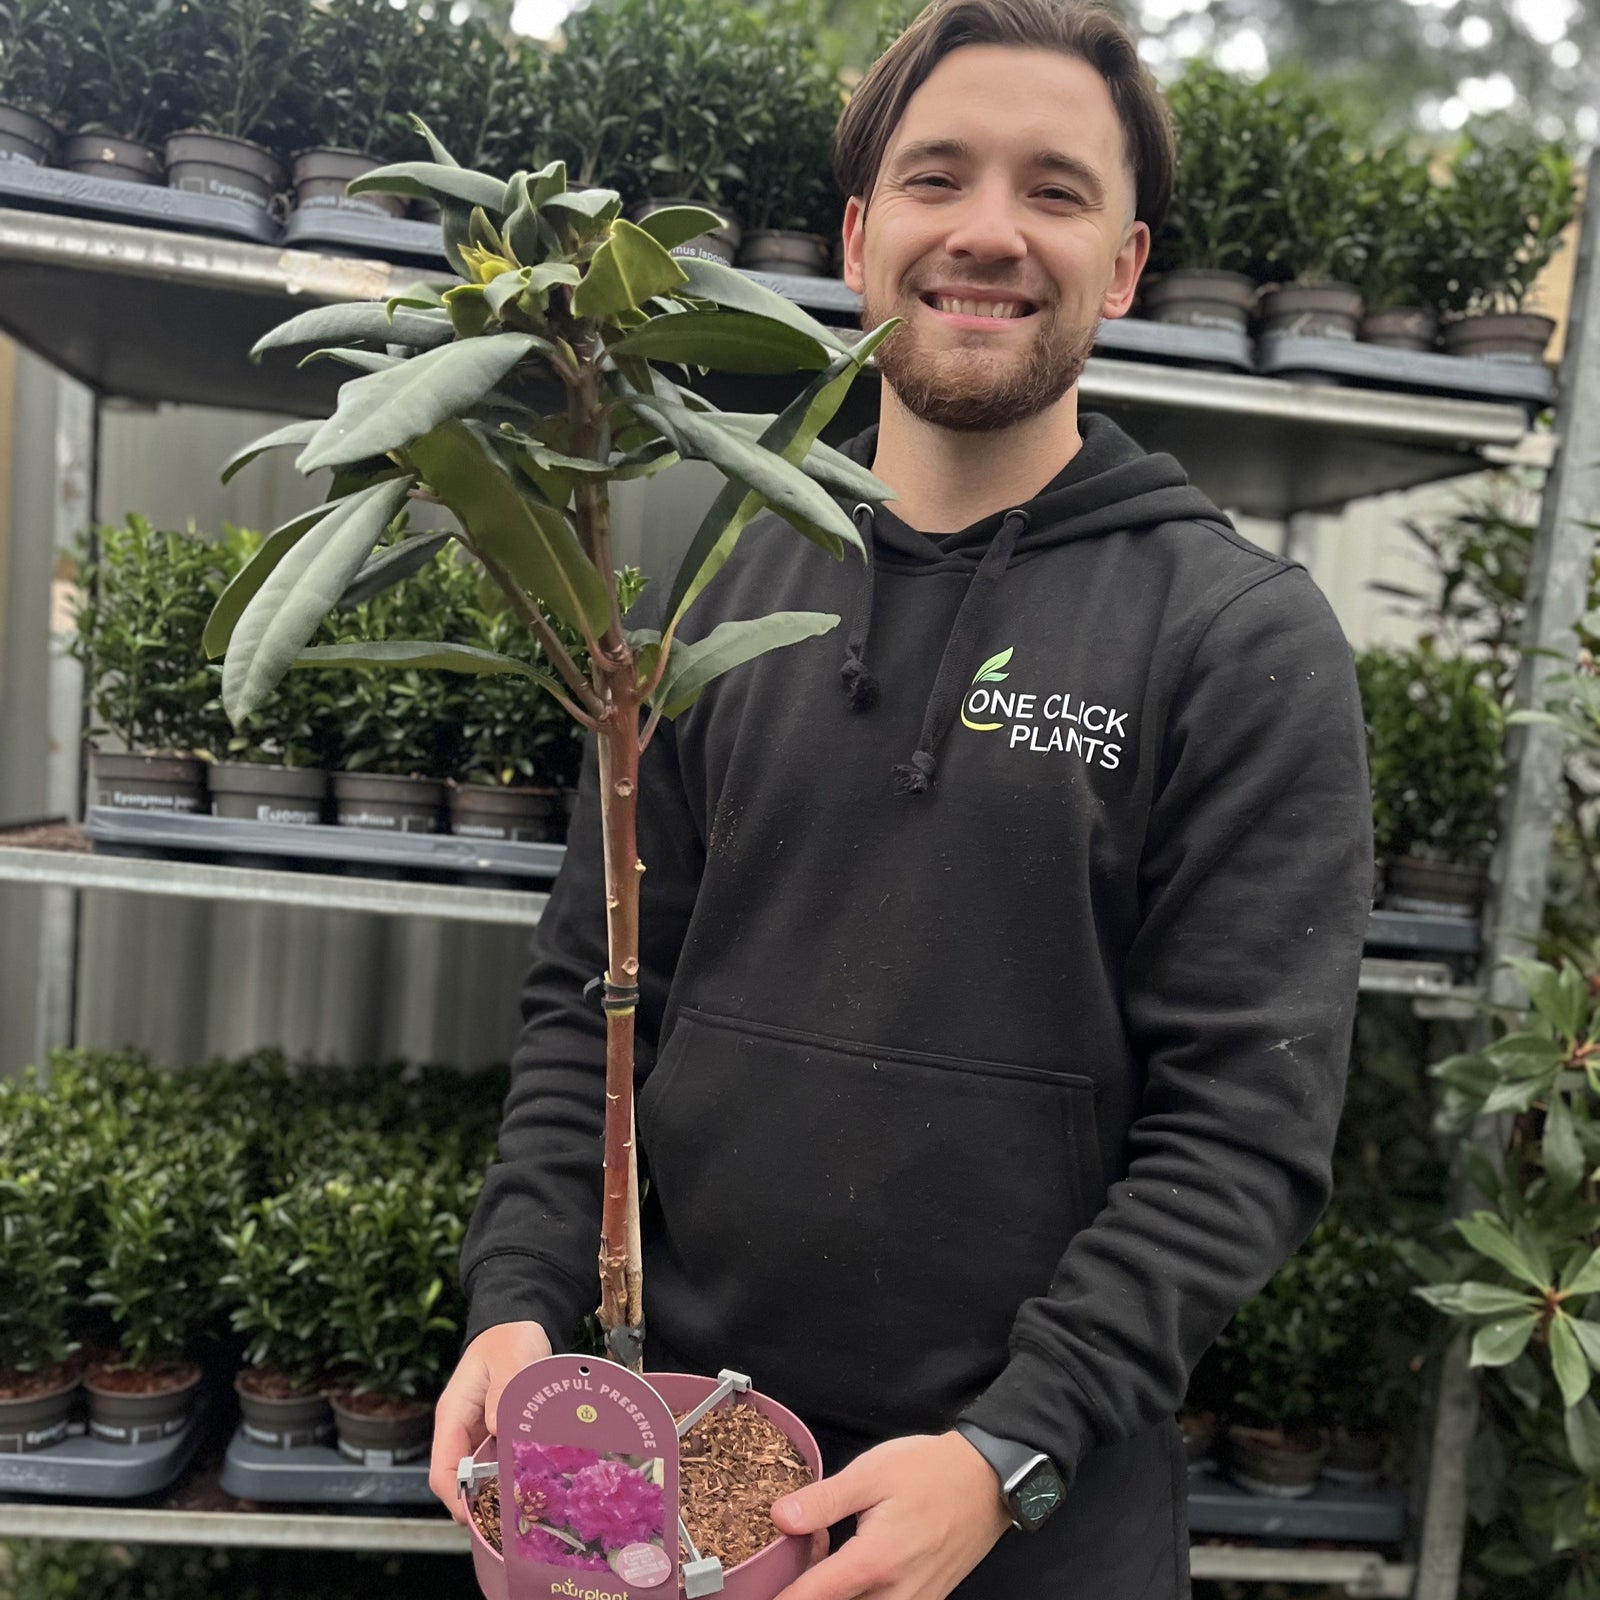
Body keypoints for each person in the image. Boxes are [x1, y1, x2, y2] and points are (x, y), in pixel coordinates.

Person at [429, 0, 1374, 1594]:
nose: (990, 232)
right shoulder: (704, 588)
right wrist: (515, 1305)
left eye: (1056, 190)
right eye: (939, 179)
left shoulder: (1233, 640)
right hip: (687, 1473)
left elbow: (1244, 1132)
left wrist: (1011, 1453)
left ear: (1128, 263)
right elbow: (588, 1000)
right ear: (864, 239)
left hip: (1024, 1519)